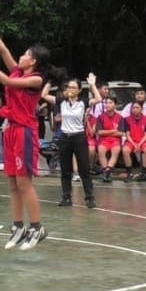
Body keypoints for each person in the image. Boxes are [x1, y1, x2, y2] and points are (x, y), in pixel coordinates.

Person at [0, 15, 56, 251]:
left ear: (33, 61)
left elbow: (7, 81)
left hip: (26, 133)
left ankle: (37, 228)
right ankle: (18, 226)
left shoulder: (36, 80)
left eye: (26, 54)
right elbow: (3, 48)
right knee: (12, 184)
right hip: (11, 131)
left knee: (24, 184)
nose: (21, 55)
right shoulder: (20, 71)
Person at [41, 74, 100, 208]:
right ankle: (66, 197)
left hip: (79, 137)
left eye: (73, 87)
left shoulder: (83, 102)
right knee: (66, 169)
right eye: (68, 87)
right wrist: (50, 81)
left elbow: (98, 99)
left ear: (79, 90)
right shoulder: (61, 101)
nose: (70, 90)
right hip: (65, 137)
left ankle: (89, 198)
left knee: (84, 169)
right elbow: (44, 95)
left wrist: (92, 84)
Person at [121, 101, 146, 181]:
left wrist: (139, 144)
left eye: (137, 107)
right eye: (133, 108)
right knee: (125, 150)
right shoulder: (127, 119)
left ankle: (143, 172)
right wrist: (134, 144)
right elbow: (127, 135)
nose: (135, 109)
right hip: (131, 141)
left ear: (141, 109)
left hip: (142, 141)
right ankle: (129, 173)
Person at [96, 97, 124, 183]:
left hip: (115, 140)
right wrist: (113, 131)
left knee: (115, 151)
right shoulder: (101, 117)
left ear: (115, 104)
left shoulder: (120, 117)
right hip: (104, 140)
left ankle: (107, 171)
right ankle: (106, 171)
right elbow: (100, 132)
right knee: (101, 150)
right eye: (106, 103)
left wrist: (107, 132)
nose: (108, 105)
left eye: (110, 103)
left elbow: (120, 133)